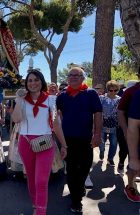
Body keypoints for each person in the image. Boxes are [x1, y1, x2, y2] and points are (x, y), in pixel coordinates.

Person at [12, 69, 67, 215]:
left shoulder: (51, 100)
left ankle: (41, 211)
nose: (33, 83)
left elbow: (56, 124)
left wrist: (64, 145)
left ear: (41, 81)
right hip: (25, 143)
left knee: (41, 181)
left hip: (45, 143)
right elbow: (16, 119)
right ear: (26, 83)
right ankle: (36, 205)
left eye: (36, 80)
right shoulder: (22, 100)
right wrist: (18, 100)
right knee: (30, 177)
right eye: (30, 80)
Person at [56, 67, 102, 213]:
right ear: (67, 78)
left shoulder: (91, 94)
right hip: (67, 141)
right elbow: (57, 116)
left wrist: (97, 134)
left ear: (83, 78)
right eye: (71, 75)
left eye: (77, 75)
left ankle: (79, 187)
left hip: (86, 139)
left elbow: (98, 114)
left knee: (85, 167)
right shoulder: (62, 96)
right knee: (71, 170)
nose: (74, 77)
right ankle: (76, 201)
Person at [117, 68, 140, 202]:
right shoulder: (132, 91)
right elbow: (120, 112)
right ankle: (130, 186)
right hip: (129, 130)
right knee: (133, 159)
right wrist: (126, 132)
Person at [98, 80, 120, 166]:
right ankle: (101, 152)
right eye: (111, 90)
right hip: (102, 124)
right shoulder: (102, 98)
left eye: (115, 90)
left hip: (114, 125)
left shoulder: (119, 99)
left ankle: (110, 159)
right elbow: (97, 111)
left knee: (114, 143)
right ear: (107, 90)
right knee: (102, 144)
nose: (113, 92)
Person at [126, 89, 140, 199]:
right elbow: (133, 126)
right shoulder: (136, 93)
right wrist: (134, 157)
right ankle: (130, 186)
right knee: (134, 165)